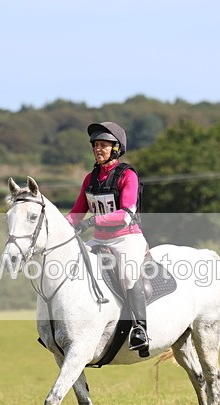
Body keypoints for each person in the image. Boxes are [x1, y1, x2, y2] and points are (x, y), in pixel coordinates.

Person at [66, 122, 150, 353]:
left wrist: (93, 221)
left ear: (116, 149)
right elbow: (77, 212)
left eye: (103, 145)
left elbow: (125, 214)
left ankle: (140, 329)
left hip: (126, 238)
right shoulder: (90, 178)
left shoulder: (128, 175)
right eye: (95, 145)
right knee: (72, 267)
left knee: (128, 274)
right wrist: (60, 227)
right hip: (99, 240)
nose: (97, 149)